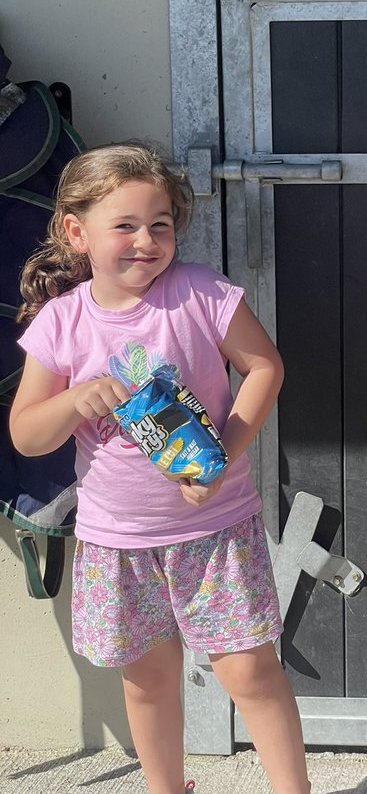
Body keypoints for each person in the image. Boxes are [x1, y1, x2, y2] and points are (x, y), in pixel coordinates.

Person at [11, 143, 310, 794]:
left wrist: (225, 453)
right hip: (117, 542)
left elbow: (265, 368)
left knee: (250, 673)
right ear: (75, 231)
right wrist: (72, 398)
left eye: (161, 224)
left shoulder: (200, 295)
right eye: (125, 225)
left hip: (216, 533)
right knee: (146, 682)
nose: (146, 240)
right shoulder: (61, 322)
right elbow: (27, 435)